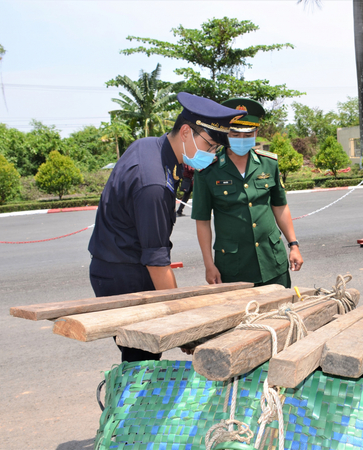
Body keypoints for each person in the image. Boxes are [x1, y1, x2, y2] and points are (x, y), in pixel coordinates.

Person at [88, 92, 242, 363]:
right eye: (209, 146)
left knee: (141, 354)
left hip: (117, 265)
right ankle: (130, 405)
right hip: (128, 277)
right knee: (142, 357)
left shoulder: (151, 146)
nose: (211, 155)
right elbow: (157, 262)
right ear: (185, 131)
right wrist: (183, 324)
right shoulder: (153, 184)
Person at [191, 97, 303, 289]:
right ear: (225, 133)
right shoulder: (207, 170)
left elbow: (280, 206)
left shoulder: (269, 163)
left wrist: (294, 245)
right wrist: (209, 265)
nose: (241, 140)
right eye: (234, 135)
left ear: (256, 132)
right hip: (233, 267)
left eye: (247, 135)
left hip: (272, 262)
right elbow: (202, 221)